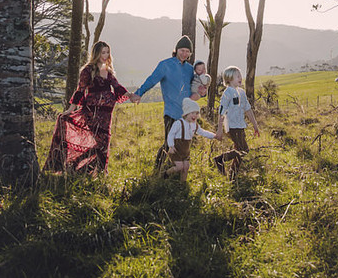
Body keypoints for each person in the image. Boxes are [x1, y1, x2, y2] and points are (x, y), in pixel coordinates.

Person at [43, 41, 128, 175]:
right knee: (100, 143)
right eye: (102, 53)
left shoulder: (108, 70)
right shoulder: (87, 70)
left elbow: (117, 87)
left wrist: (131, 95)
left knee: (104, 143)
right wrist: (70, 110)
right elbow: (80, 91)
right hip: (92, 112)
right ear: (96, 53)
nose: (105, 56)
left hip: (106, 115)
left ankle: (94, 171)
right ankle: (79, 166)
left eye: (107, 52)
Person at [133, 34, 195, 169]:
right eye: (182, 50)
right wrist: (139, 93)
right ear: (176, 50)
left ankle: (173, 170)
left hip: (187, 114)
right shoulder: (165, 65)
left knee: (184, 143)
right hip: (171, 112)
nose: (184, 54)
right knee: (169, 142)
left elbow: (194, 88)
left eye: (187, 51)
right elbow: (151, 80)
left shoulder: (190, 69)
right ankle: (157, 171)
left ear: (190, 53)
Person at [214, 66, 259, 179]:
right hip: (231, 126)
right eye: (237, 76)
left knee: (240, 150)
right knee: (243, 150)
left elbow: (248, 109)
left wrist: (255, 126)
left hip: (240, 126)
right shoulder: (227, 93)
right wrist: (220, 130)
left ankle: (232, 176)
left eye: (240, 75)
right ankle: (220, 159)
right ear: (229, 79)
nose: (240, 78)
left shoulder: (242, 92)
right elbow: (221, 112)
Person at [164, 98, 216, 182]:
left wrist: (214, 136)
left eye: (196, 113)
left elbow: (202, 132)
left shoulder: (194, 125)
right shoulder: (178, 123)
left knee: (186, 167)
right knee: (179, 167)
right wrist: (171, 146)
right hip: (176, 149)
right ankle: (166, 174)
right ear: (186, 113)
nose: (195, 115)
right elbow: (171, 135)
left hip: (186, 151)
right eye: (192, 113)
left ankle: (182, 184)